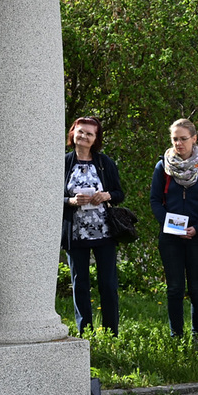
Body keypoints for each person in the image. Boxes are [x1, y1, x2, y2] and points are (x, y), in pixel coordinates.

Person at [149, 118, 198, 339]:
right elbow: (155, 201)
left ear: (194, 138)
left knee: (197, 289)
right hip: (170, 238)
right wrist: (171, 226)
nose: (178, 143)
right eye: (175, 139)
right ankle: (176, 336)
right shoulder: (163, 166)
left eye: (183, 139)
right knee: (175, 288)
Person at [62, 115, 125, 335]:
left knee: (108, 284)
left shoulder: (104, 163)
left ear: (96, 138)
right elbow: (49, 197)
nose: (84, 136)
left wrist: (106, 195)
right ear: (73, 133)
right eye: (80, 131)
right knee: (80, 284)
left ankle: (111, 333)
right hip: (75, 234)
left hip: (105, 233)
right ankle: (85, 332)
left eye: (90, 134)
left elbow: (119, 194)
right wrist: (70, 201)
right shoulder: (64, 163)